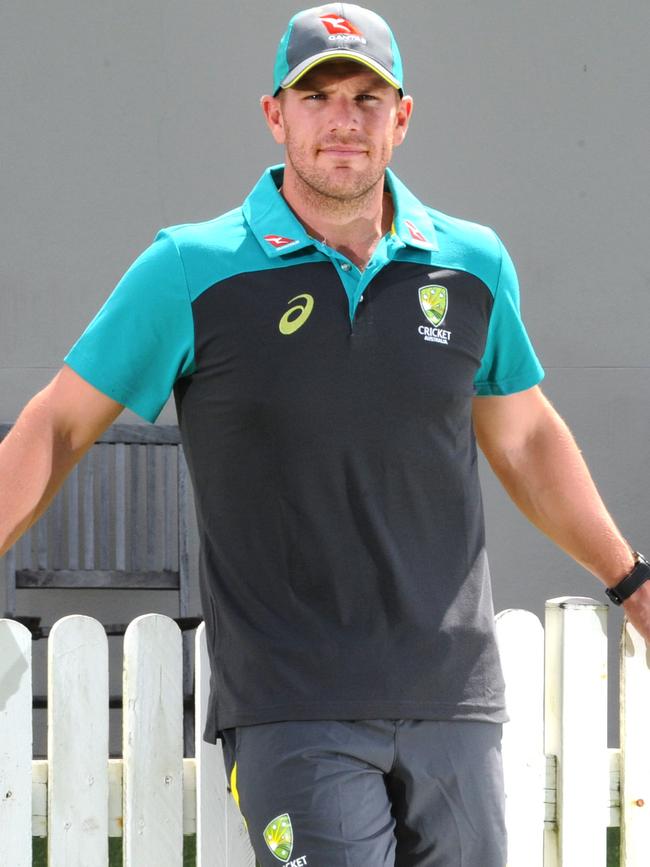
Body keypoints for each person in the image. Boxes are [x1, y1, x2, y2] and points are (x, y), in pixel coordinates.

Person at [1, 4, 648, 865]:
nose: (343, 119)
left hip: (455, 700)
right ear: (276, 115)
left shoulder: (471, 265)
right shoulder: (192, 268)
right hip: (292, 704)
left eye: (365, 98)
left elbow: (526, 440)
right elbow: (58, 423)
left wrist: (630, 578)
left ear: (402, 118)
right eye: (317, 96)